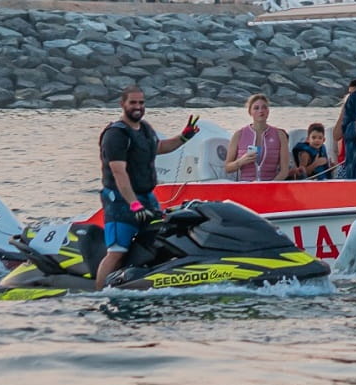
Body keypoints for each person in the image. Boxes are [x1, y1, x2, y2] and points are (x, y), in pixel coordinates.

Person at [94, 86, 201, 284]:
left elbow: (160, 147)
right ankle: (99, 293)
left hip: (146, 197)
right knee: (117, 251)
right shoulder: (116, 134)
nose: (138, 107)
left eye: (141, 103)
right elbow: (119, 171)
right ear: (122, 104)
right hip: (120, 201)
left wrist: (184, 137)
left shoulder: (145, 129)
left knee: (159, 241)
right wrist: (134, 204)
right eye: (133, 103)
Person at [226, 93, 292, 181]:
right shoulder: (239, 134)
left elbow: (284, 171)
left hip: (271, 186)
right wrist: (240, 161)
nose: (261, 111)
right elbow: (227, 168)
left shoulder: (280, 135)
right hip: (246, 186)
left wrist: (269, 187)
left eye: (264, 107)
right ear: (250, 112)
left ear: (268, 111)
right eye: (256, 108)